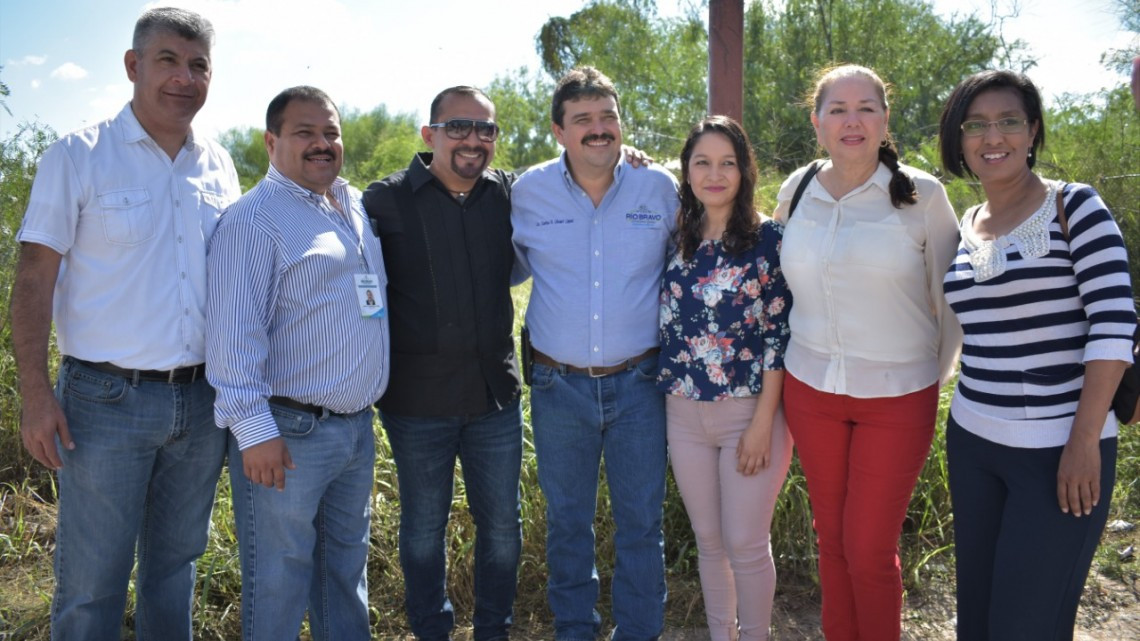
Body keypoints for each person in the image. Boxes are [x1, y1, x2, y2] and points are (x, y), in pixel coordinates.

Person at [8, 8, 239, 640]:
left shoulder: (218, 166)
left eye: (198, 65)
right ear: (134, 66)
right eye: (167, 60)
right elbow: (34, 277)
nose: (183, 78)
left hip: (200, 404)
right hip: (105, 401)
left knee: (175, 569)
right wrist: (35, 393)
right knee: (91, 581)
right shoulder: (78, 156)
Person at [938, 70, 1135, 641]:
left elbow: (1114, 326)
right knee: (976, 615)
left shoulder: (1075, 207)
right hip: (972, 441)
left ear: (1032, 132)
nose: (991, 136)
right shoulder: (965, 226)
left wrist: (1083, 442)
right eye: (976, 125)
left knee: (1028, 625)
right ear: (960, 139)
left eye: (1008, 121)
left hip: (1058, 454)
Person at [773, 64, 961, 641]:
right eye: (837, 109)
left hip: (898, 398)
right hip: (810, 390)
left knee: (869, 549)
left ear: (885, 119)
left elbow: (952, 302)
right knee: (831, 541)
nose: (851, 121)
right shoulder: (796, 188)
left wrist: (932, 374)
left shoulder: (923, 195)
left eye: (865, 108)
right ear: (817, 121)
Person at [206, 86, 389, 641]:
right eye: (304, 132)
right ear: (271, 141)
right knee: (279, 580)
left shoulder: (351, 203)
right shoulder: (253, 221)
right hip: (288, 436)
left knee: (343, 576)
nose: (321, 144)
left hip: (354, 430)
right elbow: (232, 336)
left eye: (330, 132)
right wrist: (254, 432)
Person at [511, 66, 679, 641]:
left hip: (641, 383)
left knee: (641, 523)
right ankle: (575, 631)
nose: (599, 129)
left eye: (608, 117)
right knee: (567, 524)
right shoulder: (525, 192)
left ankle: (638, 631)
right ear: (558, 131)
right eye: (583, 119)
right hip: (559, 388)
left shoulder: (658, 186)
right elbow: (501, 270)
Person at [362, 86, 522, 641]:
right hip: (416, 405)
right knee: (424, 530)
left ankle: (493, 630)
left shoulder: (508, 196)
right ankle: (432, 630)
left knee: (502, 529)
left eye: (485, 129)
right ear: (429, 135)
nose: (473, 139)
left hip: (494, 398)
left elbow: (574, 180)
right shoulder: (381, 202)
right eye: (458, 126)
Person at [657, 116, 793, 641]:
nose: (715, 174)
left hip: (749, 414)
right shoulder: (677, 237)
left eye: (727, 163)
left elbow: (779, 336)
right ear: (687, 172)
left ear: (744, 170)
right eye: (702, 162)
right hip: (683, 413)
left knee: (746, 542)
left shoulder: (769, 240)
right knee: (709, 540)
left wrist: (764, 422)